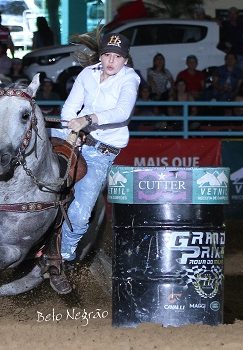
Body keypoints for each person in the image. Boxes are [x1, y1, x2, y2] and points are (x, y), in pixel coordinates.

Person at [48, 32, 140, 294]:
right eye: (108, 55)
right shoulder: (88, 74)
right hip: (74, 137)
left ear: (125, 60)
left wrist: (86, 120)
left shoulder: (130, 79)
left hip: (101, 152)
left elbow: (122, 112)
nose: (112, 60)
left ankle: (61, 260)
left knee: (80, 213)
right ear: (101, 56)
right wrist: (71, 133)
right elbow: (69, 109)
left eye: (118, 57)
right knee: (28, 138)